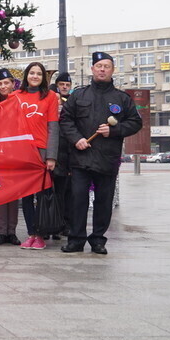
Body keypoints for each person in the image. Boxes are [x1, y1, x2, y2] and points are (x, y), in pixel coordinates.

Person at [59, 51, 142, 255]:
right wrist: (76, 139)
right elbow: (66, 119)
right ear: (92, 69)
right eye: (99, 66)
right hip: (81, 158)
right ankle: (76, 239)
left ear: (112, 70)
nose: (102, 69)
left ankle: (98, 239)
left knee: (104, 201)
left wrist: (113, 131)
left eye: (106, 66)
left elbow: (135, 122)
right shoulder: (79, 95)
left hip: (107, 158)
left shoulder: (121, 98)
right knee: (78, 199)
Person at [12, 62, 59, 251]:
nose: (35, 76)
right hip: (21, 151)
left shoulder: (50, 97)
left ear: (43, 77)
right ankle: (31, 233)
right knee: (25, 197)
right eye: (32, 73)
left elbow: (53, 128)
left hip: (41, 152)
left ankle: (40, 235)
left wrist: (51, 156)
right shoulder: (15, 96)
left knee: (41, 196)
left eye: (39, 74)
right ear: (26, 76)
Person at [0, 67, 22, 246]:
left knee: (13, 194)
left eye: (6, 83)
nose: (3, 86)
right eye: (0, 84)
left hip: (15, 152)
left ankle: (12, 231)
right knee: (0, 195)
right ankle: (1, 231)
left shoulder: (19, 102)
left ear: (13, 84)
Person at [52, 72, 73, 237]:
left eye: (67, 85)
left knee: (66, 194)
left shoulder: (72, 103)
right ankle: (52, 223)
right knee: (51, 194)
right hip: (53, 155)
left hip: (67, 156)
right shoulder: (53, 102)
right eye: (62, 84)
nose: (65, 87)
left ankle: (64, 223)